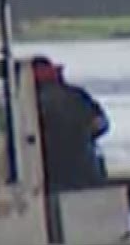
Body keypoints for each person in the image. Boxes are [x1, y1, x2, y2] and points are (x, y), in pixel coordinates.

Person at [30, 56, 109, 191]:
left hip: (50, 173)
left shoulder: (28, 101)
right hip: (86, 168)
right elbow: (101, 124)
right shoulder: (77, 95)